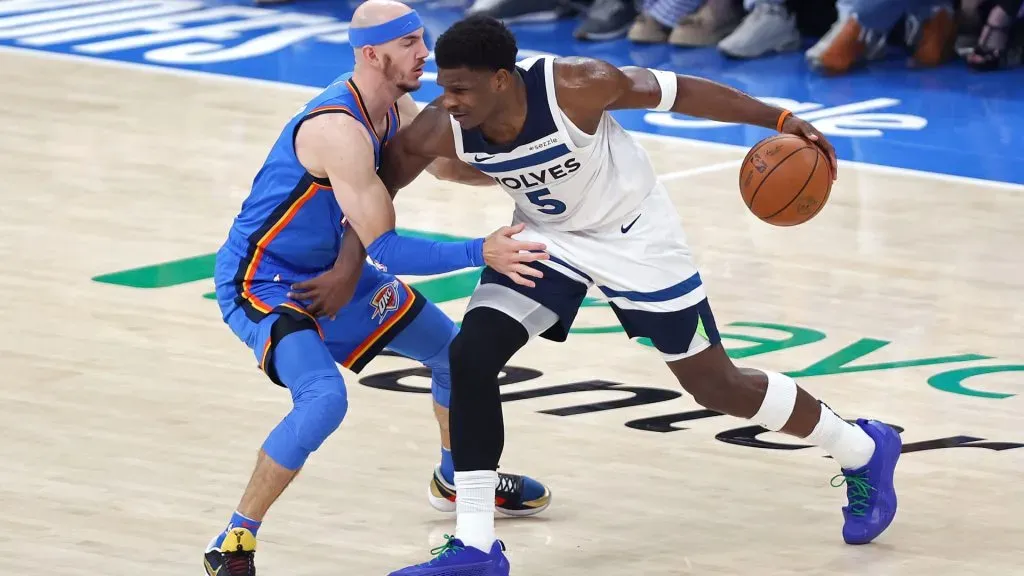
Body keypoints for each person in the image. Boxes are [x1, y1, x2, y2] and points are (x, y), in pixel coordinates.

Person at [377, 15, 904, 576]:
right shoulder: (440, 127)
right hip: (548, 240)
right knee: (470, 356)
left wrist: (778, 118)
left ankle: (862, 449)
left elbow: (681, 93)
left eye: (462, 88)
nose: (449, 100)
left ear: (503, 79)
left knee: (715, 385)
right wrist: (326, 250)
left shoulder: (577, 85)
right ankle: (476, 548)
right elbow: (375, 188)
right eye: (444, 87)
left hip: (636, 238)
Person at [204, 3, 554, 575]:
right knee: (323, 399)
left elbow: (448, 166)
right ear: (372, 53)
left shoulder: (396, 106)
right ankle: (234, 540)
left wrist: (539, 162)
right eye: (410, 42)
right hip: (267, 284)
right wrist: (478, 250)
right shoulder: (336, 129)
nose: (425, 52)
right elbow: (387, 246)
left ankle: (455, 478)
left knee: (456, 356)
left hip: (338, 271)